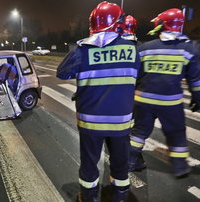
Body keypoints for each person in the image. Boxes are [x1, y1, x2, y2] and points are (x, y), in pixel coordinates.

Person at [56, 2, 140, 201]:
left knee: (89, 162)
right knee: (120, 161)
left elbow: (62, 73)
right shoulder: (133, 49)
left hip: (91, 122)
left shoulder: (82, 50)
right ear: (117, 23)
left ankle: (89, 197)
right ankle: (119, 196)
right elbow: (140, 78)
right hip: (121, 122)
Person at [128, 8, 200, 177]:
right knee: (176, 133)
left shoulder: (145, 48)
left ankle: (130, 161)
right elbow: (196, 80)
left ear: (161, 26)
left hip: (143, 100)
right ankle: (179, 167)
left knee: (139, 132)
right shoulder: (187, 50)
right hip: (170, 103)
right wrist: (198, 98)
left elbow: (134, 74)